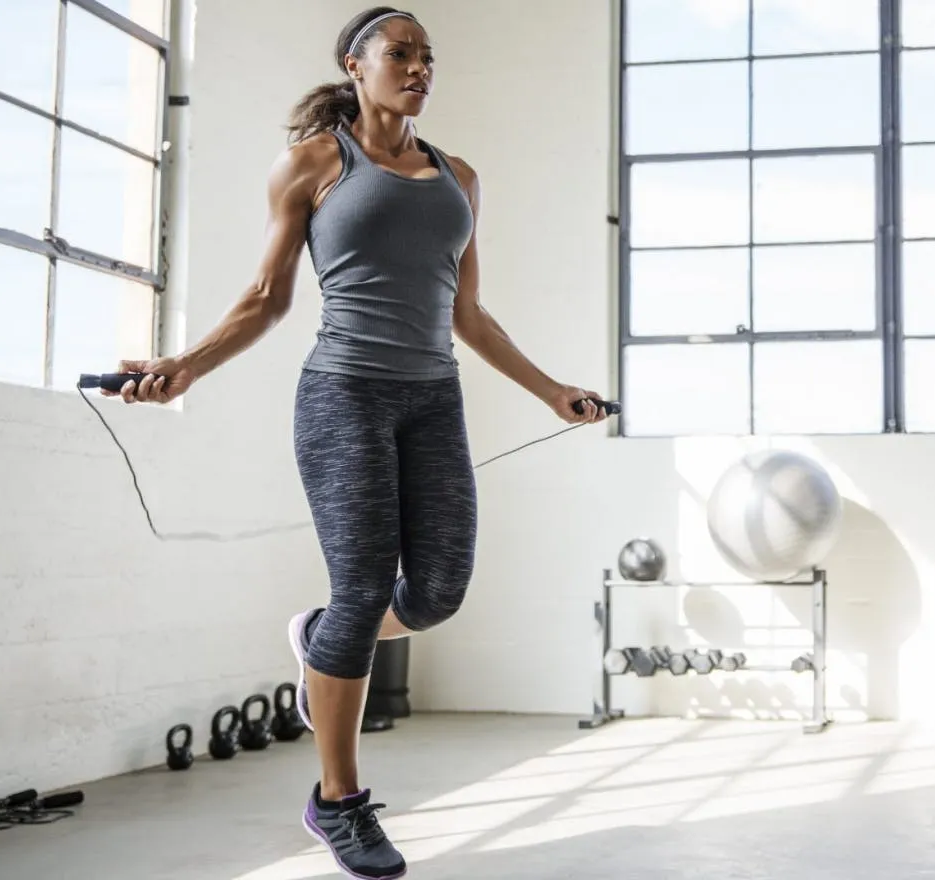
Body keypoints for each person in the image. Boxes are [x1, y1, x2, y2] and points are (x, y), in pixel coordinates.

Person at [103, 7, 606, 877]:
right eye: (400, 54)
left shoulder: (459, 179)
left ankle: (323, 635)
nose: (418, 69)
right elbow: (266, 297)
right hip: (342, 396)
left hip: (432, 399)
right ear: (356, 64)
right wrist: (184, 366)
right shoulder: (311, 164)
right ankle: (338, 802)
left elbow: (468, 314)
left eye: (427, 58)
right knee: (366, 584)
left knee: (440, 591)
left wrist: (551, 390)